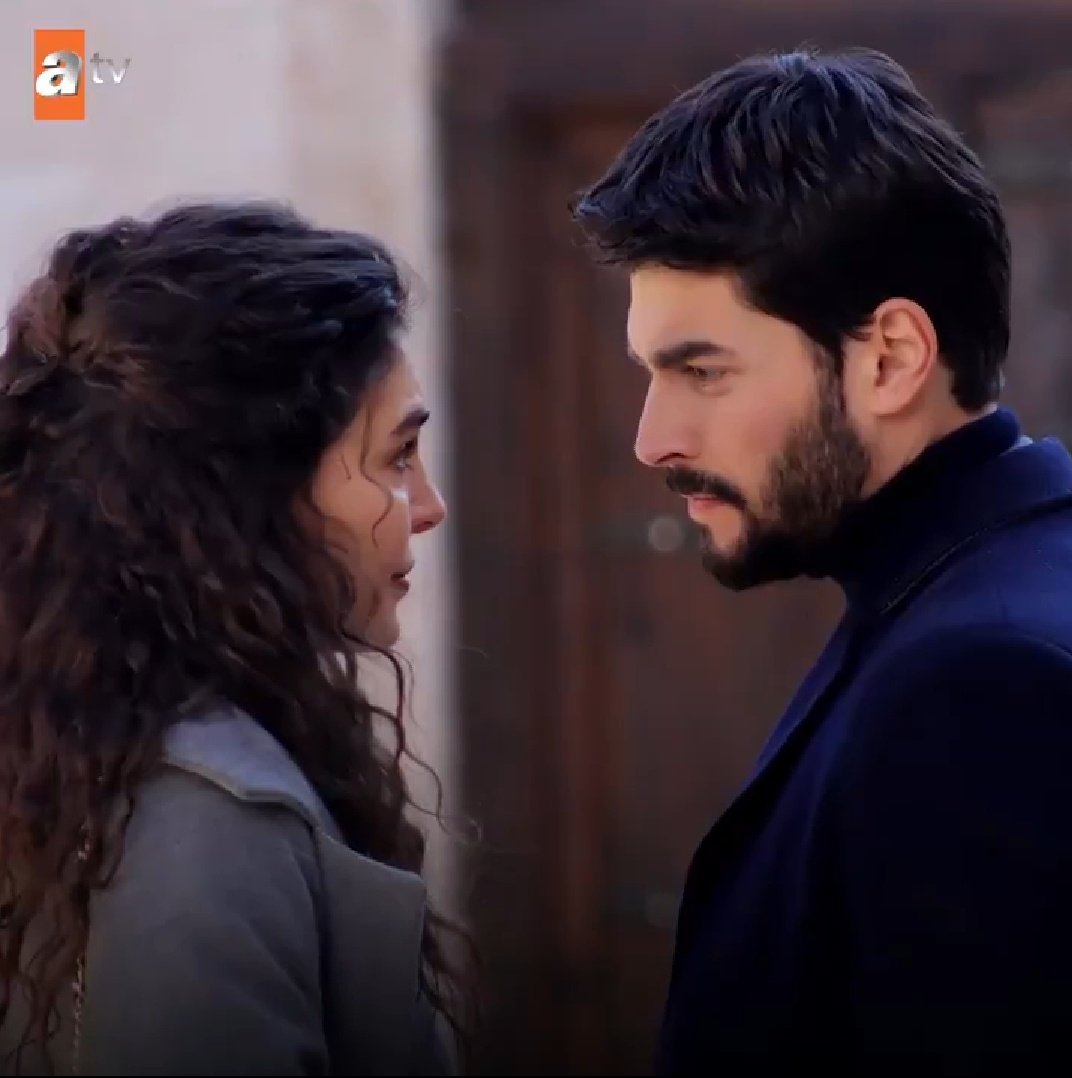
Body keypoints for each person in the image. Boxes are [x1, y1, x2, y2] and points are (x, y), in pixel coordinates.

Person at [572, 47, 1072, 1076]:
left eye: (702, 371)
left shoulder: (979, 685)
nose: (653, 440)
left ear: (890, 358)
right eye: (651, 374)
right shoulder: (978, 593)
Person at [0, 201, 463, 1075]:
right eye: (397, 457)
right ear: (256, 491)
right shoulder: (204, 825)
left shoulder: (98, 757)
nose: (430, 507)